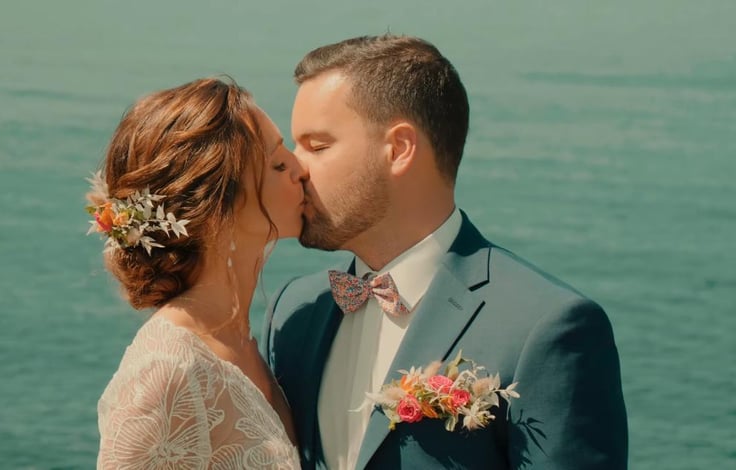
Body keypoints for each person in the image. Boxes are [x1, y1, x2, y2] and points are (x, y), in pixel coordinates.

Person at [260, 35, 628, 469]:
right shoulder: (294, 309)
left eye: (317, 146)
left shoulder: (545, 330)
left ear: (399, 148)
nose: (296, 167)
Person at [90, 77, 305, 469]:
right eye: (278, 164)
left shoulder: (247, 340)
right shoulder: (167, 370)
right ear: (218, 207)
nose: (300, 169)